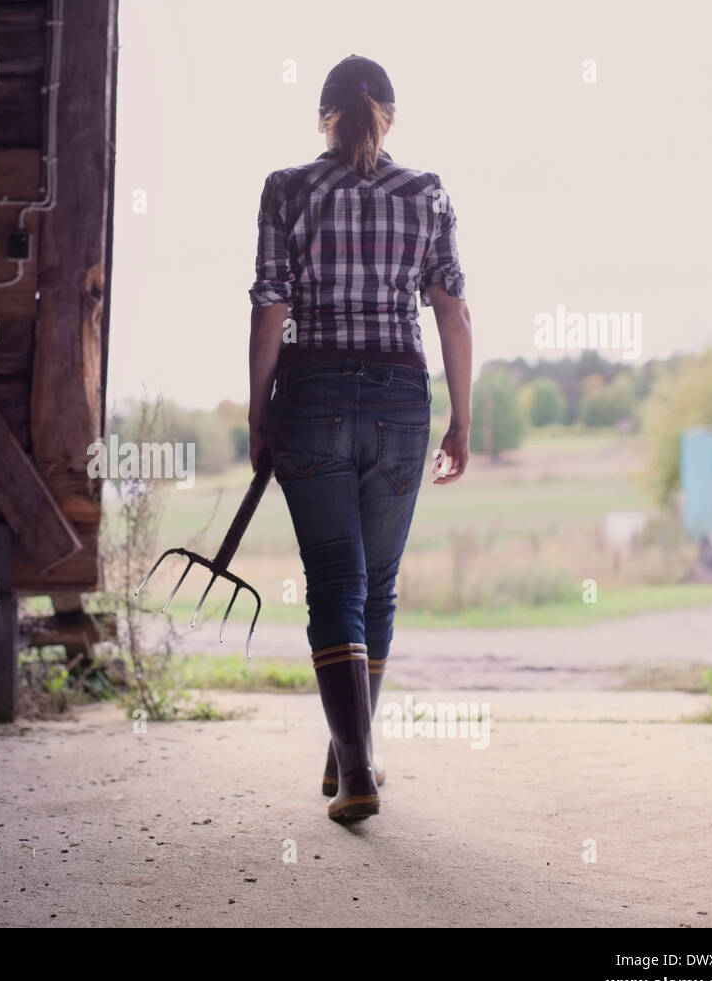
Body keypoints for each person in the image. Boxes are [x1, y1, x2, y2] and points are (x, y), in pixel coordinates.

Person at [246, 55, 473, 824]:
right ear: (389, 116)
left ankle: (355, 764)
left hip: (309, 395)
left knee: (337, 584)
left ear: (324, 118)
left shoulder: (287, 188)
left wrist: (258, 413)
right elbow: (452, 312)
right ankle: (356, 755)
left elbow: (270, 307)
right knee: (376, 585)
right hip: (401, 400)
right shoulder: (427, 192)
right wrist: (462, 422)